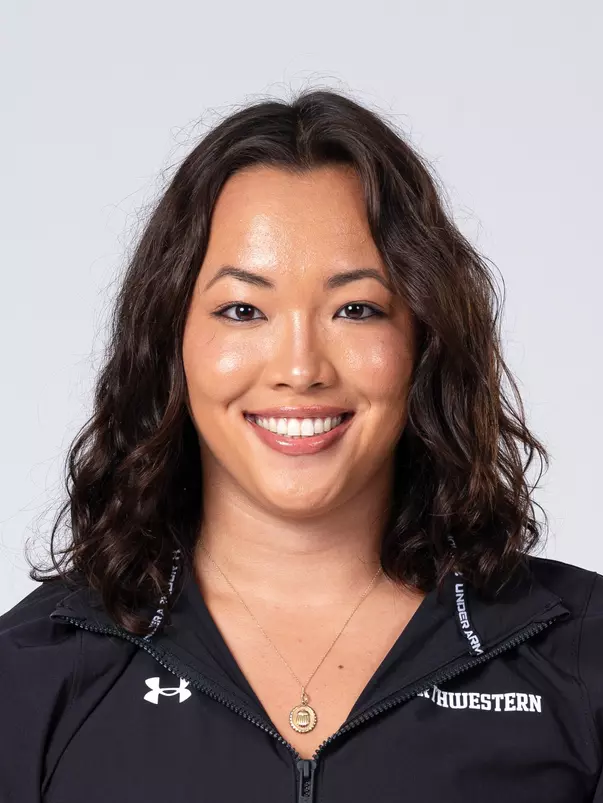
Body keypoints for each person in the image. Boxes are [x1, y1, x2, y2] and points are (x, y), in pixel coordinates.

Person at [1, 88, 602, 803]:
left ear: (423, 339)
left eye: (356, 308)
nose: (300, 367)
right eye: (242, 309)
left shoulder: (577, 655)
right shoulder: (33, 673)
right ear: (171, 342)